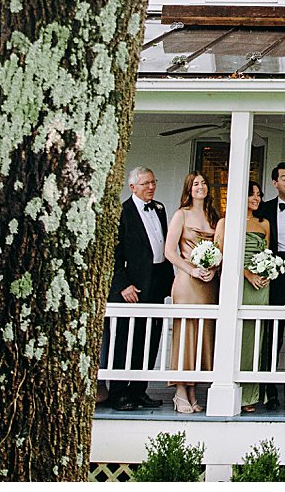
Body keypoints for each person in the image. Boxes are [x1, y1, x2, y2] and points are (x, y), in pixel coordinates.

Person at [106, 166, 172, 410]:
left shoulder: (159, 209)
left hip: (156, 280)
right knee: (127, 339)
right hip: (132, 285)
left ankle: (139, 390)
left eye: (153, 182)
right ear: (132, 187)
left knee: (151, 337)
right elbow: (112, 252)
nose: (151, 187)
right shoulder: (122, 213)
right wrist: (123, 284)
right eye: (145, 184)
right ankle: (120, 393)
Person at [212, 180, 272, 413]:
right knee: (236, 335)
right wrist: (246, 273)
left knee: (255, 336)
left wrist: (267, 271)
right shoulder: (226, 222)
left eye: (258, 194)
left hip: (260, 285)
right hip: (237, 283)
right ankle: (231, 387)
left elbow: (267, 252)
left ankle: (251, 394)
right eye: (251, 194)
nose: (256, 198)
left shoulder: (263, 223)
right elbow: (222, 254)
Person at [166, 172, 221, 413]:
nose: (201, 187)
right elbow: (170, 251)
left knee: (204, 334)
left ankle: (193, 390)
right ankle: (180, 390)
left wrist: (214, 267)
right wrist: (192, 270)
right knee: (186, 332)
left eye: (204, 183)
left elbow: (220, 248)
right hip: (188, 282)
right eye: (196, 184)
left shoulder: (213, 216)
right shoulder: (182, 214)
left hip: (208, 282)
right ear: (188, 189)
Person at [257, 161, 285, 410]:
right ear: (274, 183)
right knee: (273, 333)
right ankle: (270, 390)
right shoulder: (264, 209)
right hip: (275, 272)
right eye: (284, 178)